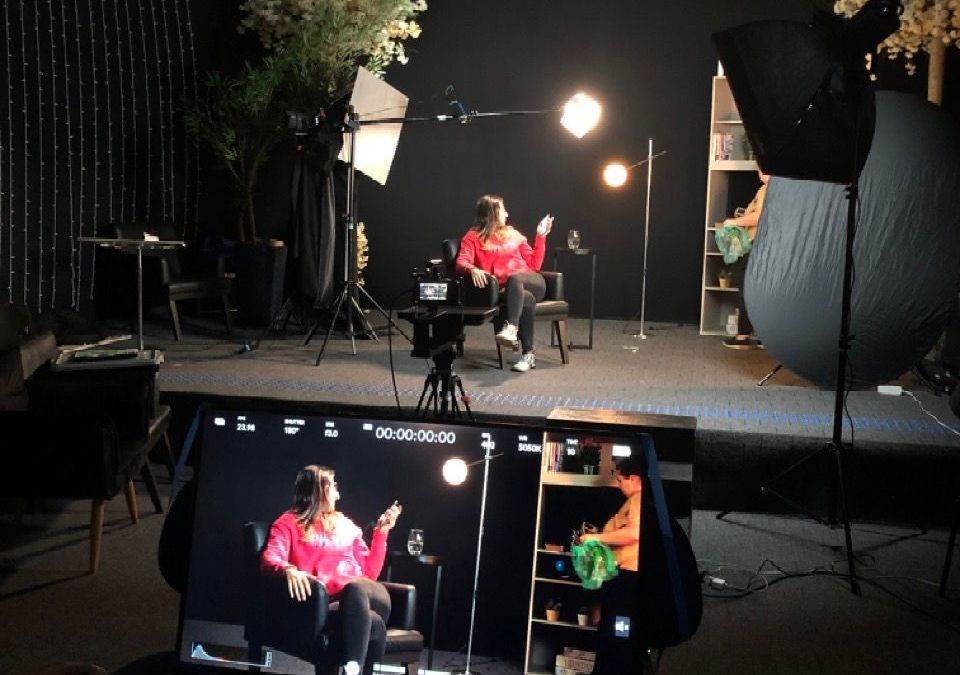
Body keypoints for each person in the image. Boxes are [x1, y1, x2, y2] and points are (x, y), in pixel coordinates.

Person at [261, 465, 402, 675]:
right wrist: (288, 569)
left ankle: (351, 668)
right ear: (318, 489)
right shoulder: (288, 523)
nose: (338, 489)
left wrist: (381, 533)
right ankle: (353, 668)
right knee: (373, 623)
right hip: (331, 608)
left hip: (369, 595)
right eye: (332, 484)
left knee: (354, 588)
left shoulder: (344, 524)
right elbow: (270, 557)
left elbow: (369, 573)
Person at [455, 194, 554, 373]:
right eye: (503, 210)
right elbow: (461, 262)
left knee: (515, 279)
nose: (507, 214)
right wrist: (473, 269)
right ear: (492, 214)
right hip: (509, 291)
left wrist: (541, 237)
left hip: (532, 281)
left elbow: (534, 265)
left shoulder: (513, 234)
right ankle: (528, 355)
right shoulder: (472, 237)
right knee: (527, 299)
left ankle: (511, 328)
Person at [578, 456, 643, 674]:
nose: (618, 485)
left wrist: (595, 539)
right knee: (610, 633)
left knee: (617, 636)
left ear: (634, 479)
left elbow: (635, 533)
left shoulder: (638, 499)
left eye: (621, 480)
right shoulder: (632, 501)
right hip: (620, 578)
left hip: (628, 578)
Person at [721, 169, 769, 350]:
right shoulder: (765, 190)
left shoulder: (767, 190)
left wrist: (733, 222)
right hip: (762, 246)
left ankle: (743, 336)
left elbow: (759, 216)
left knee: (746, 287)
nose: (760, 172)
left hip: (758, 246)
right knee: (757, 290)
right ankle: (761, 336)